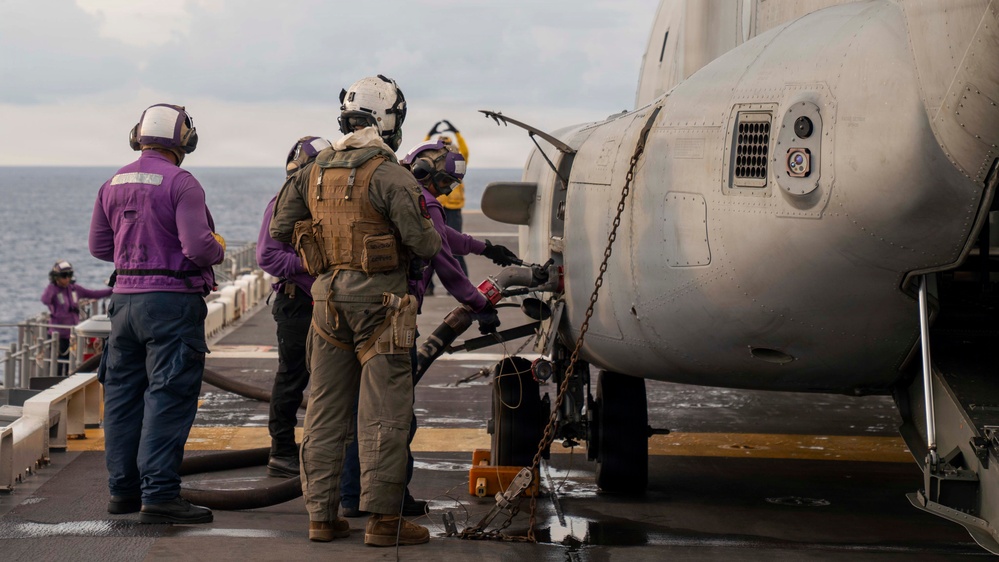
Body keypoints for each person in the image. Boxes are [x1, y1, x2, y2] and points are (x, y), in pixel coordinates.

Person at [269, 75, 443, 546]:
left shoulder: (314, 170)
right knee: (385, 413)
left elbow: (281, 229)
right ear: (389, 119)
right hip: (381, 308)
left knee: (324, 412)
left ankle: (321, 519)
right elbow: (425, 242)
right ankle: (385, 522)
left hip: (325, 303)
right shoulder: (390, 174)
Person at [89, 103, 224, 525]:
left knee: (123, 399)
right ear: (185, 141)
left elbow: (98, 247)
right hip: (171, 304)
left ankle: (122, 491)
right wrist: (217, 247)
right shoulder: (182, 183)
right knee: (168, 395)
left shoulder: (112, 182)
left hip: (124, 303)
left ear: (138, 136)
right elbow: (199, 247)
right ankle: (161, 495)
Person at [256, 135, 330, 478]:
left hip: (325, 302)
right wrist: (311, 264)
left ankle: (322, 449)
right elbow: (267, 255)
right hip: (297, 304)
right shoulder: (283, 203)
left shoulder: (328, 204)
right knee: (292, 378)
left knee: (331, 381)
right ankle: (281, 449)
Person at [40, 260, 113, 375]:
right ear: (56, 277)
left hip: (72, 335)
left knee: (71, 363)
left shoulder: (75, 289)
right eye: (64, 276)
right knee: (58, 365)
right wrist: (52, 287)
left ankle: (68, 382)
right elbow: (45, 300)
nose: (67, 279)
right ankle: (56, 384)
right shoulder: (53, 290)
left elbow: (94, 294)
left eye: (69, 275)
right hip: (58, 335)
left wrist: (113, 290)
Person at [423, 119, 470, 295]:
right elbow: (423, 151)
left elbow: (464, 151)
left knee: (455, 248)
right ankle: (428, 287)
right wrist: (430, 134)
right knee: (433, 247)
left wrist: (456, 132)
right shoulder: (434, 162)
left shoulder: (458, 163)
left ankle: (460, 284)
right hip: (439, 208)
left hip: (454, 208)